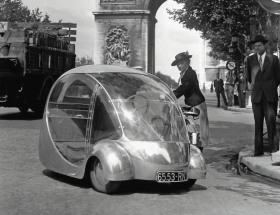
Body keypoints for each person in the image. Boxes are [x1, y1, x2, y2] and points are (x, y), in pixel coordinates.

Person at [246, 35, 280, 156]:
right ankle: (258, 151)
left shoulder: (274, 59)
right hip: (257, 96)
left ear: (265, 46)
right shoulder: (250, 60)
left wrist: (270, 86)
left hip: (270, 96)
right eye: (255, 46)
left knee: (271, 123)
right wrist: (257, 87)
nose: (257, 48)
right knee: (258, 124)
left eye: (259, 45)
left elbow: (278, 77)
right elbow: (248, 77)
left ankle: (274, 151)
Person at [172, 51, 210, 151]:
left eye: (182, 63)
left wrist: (171, 95)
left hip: (198, 104)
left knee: (199, 131)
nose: (179, 66)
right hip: (194, 103)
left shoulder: (190, 73)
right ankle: (196, 152)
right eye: (178, 64)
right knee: (194, 130)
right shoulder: (185, 73)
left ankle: (199, 155)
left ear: (188, 62)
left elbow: (184, 87)